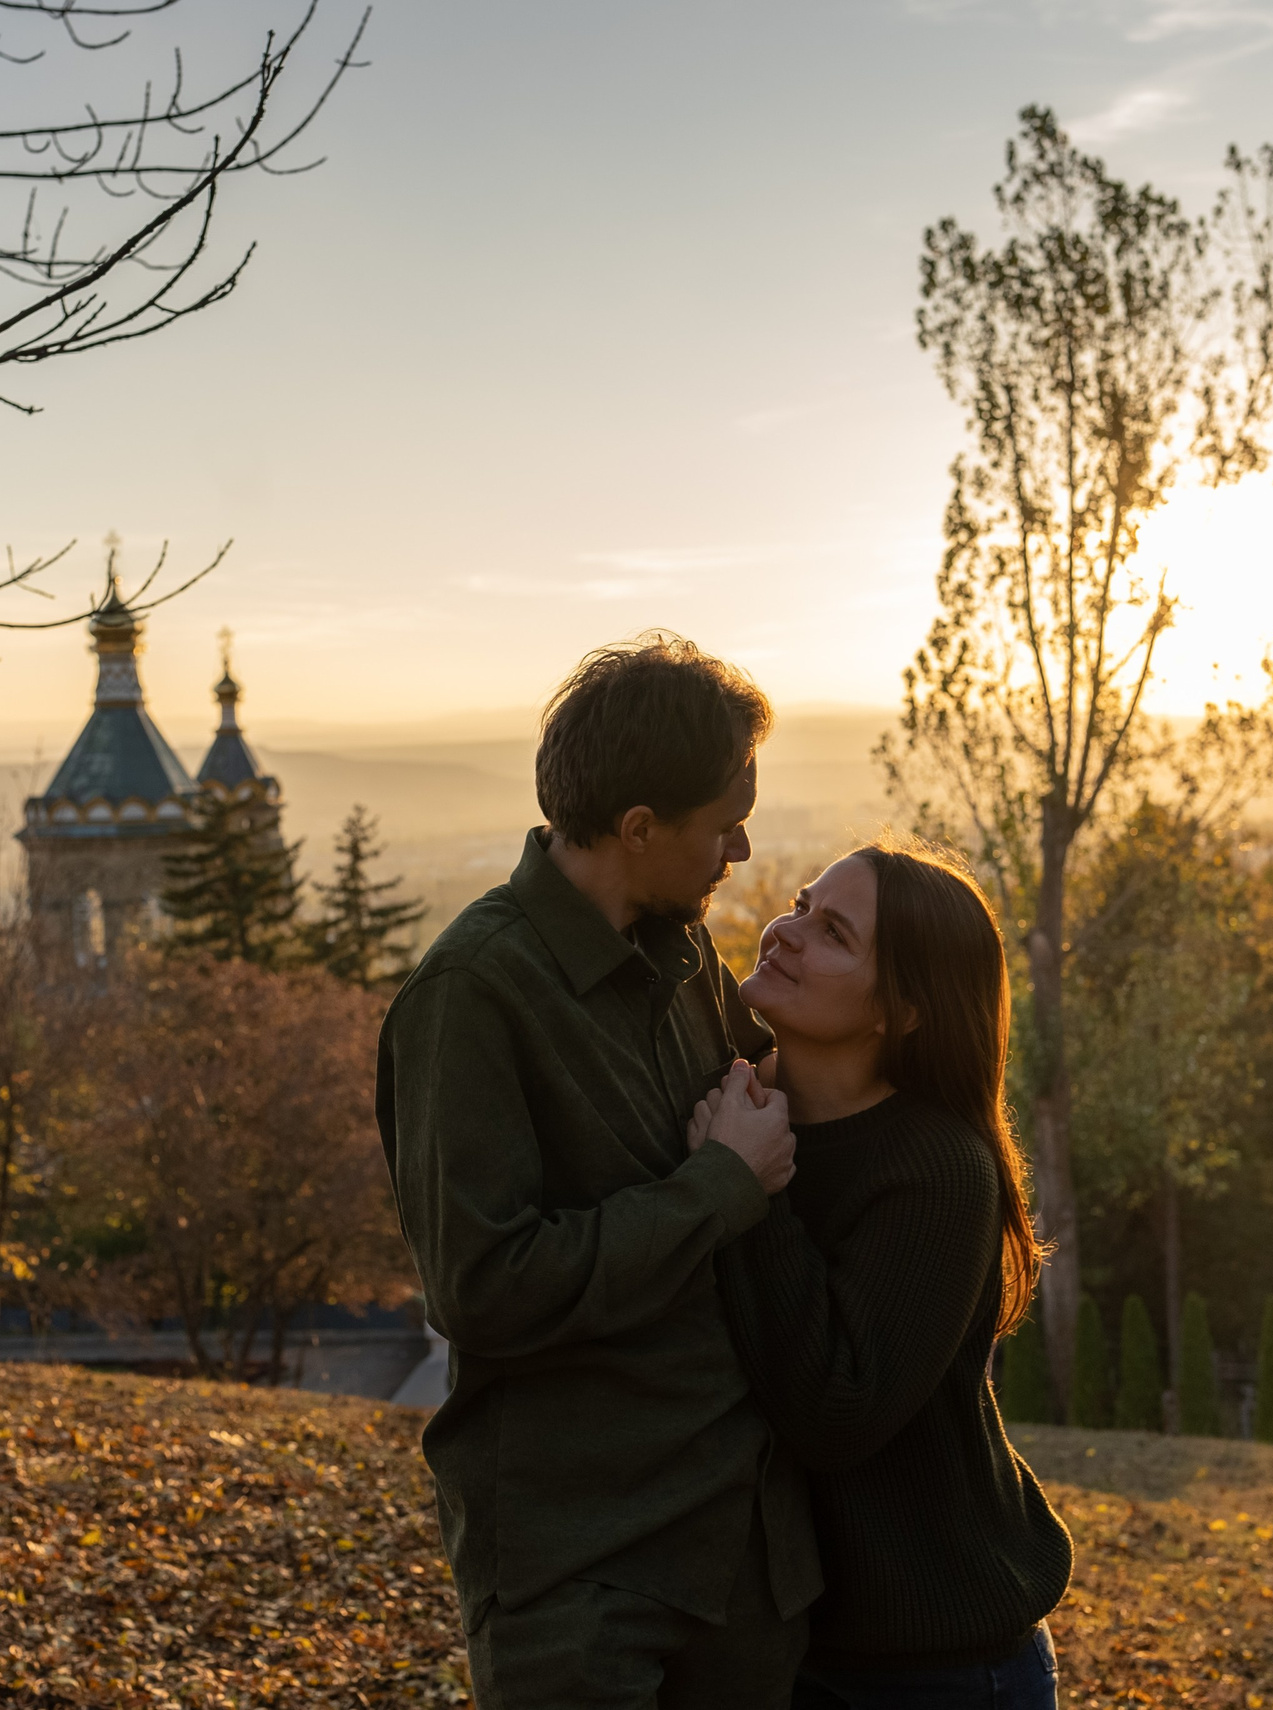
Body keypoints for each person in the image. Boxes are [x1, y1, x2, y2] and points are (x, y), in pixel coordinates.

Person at [377, 633, 821, 1710]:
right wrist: (717, 1184)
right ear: (636, 829)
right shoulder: (473, 997)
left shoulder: (679, 959)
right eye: (722, 825)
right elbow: (483, 1288)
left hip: (740, 1558)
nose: (741, 850)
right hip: (580, 1569)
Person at [694, 840, 1070, 1710]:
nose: (785, 931)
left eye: (833, 932)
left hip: (936, 1663)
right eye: (799, 904)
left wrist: (748, 1188)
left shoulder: (936, 1170)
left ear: (901, 1010)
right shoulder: (735, 1105)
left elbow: (836, 1411)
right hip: (785, 1648)